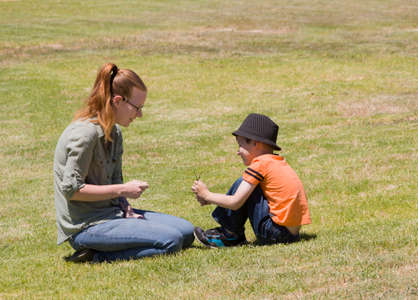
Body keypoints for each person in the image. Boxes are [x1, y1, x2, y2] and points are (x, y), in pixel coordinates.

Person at [54, 63, 194, 263]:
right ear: (118, 101)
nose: (140, 114)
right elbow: (72, 190)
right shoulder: (84, 135)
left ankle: (114, 242)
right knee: (171, 241)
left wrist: (126, 207)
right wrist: (122, 190)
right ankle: (94, 255)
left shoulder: (115, 132)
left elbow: (114, 177)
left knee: (186, 232)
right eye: (137, 108)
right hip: (87, 226)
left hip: (114, 214)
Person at [191, 113, 311, 247]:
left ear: (255, 143)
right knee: (249, 186)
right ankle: (231, 234)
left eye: (240, 145)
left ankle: (230, 235)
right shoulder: (277, 162)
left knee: (242, 183)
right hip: (291, 234)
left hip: (276, 233)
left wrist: (207, 195)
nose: (238, 152)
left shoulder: (260, 164)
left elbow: (236, 202)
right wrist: (209, 198)